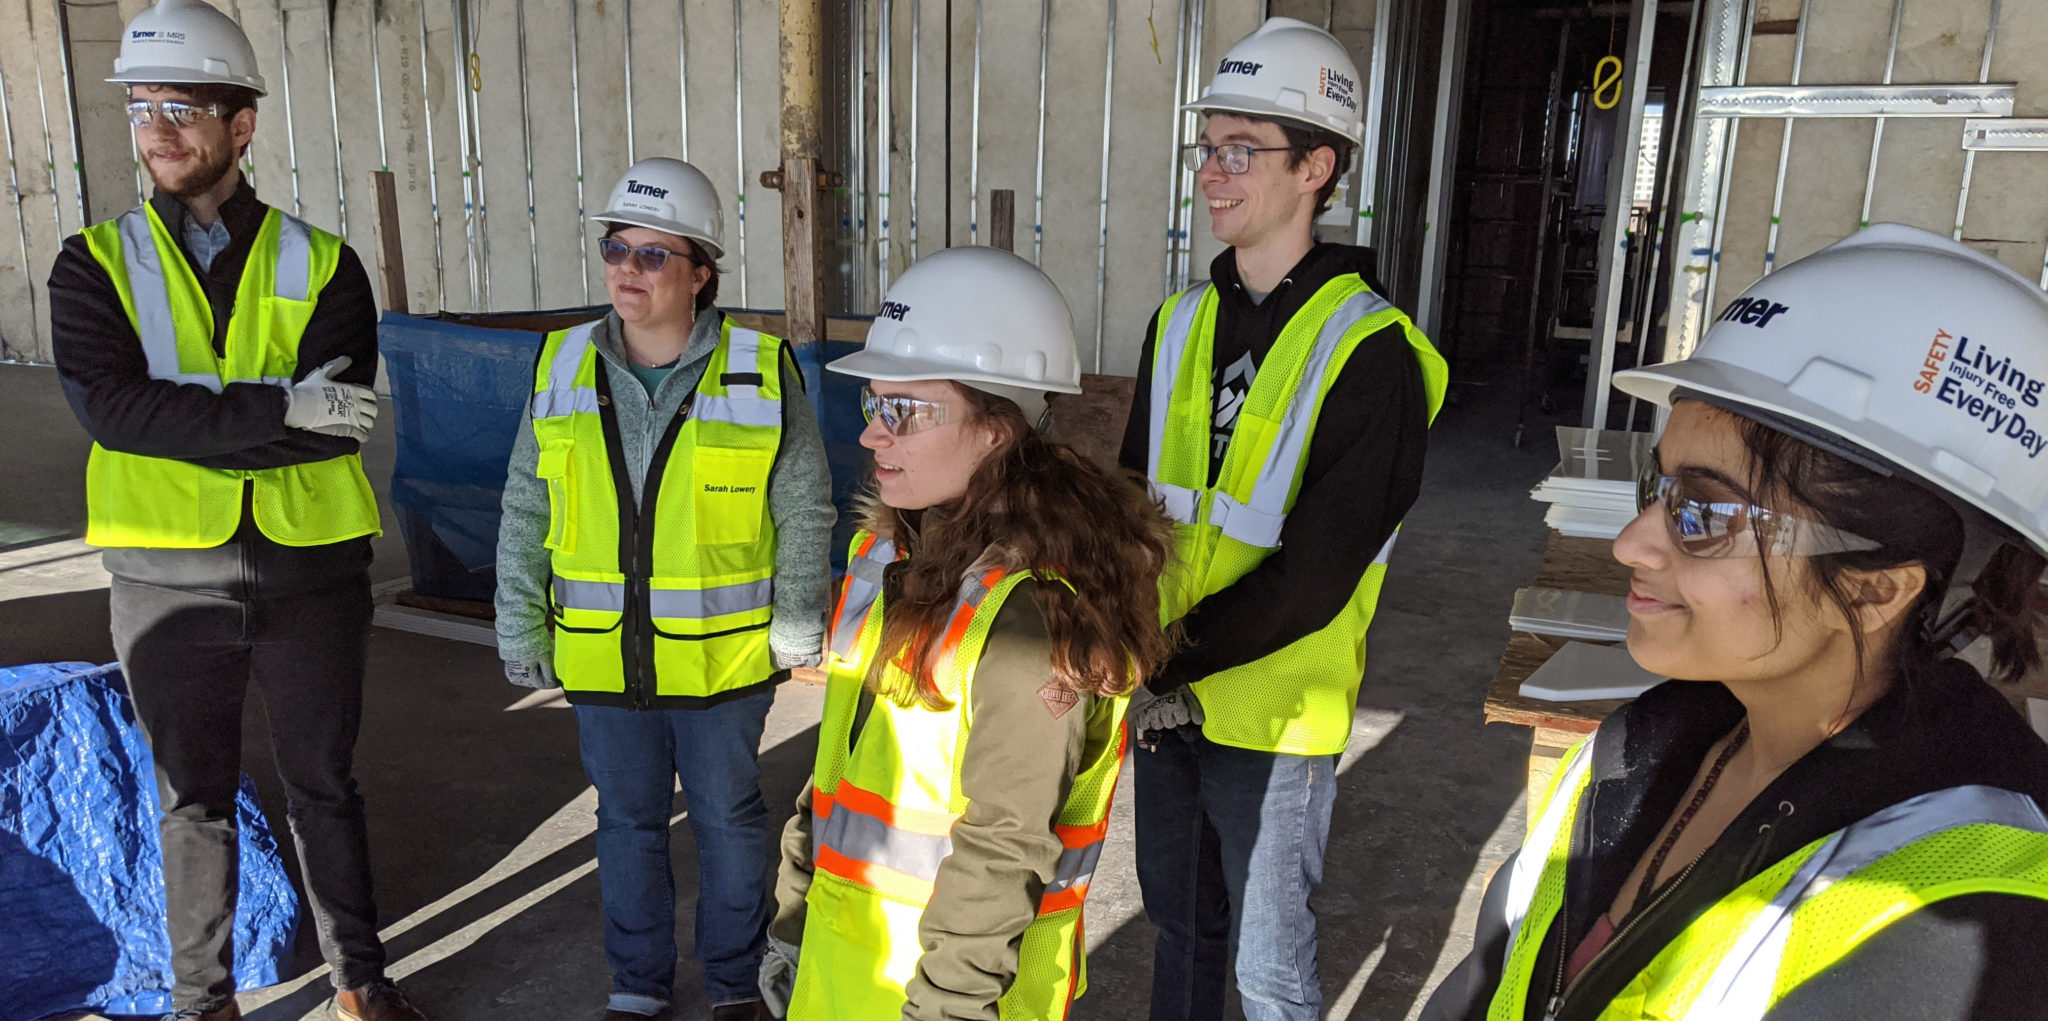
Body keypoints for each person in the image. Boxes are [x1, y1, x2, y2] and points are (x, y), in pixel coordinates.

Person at [1420, 223, 2048, 1020]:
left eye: (1705, 511)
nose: (1630, 542)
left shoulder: (1966, 922)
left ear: (1876, 588)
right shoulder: (1635, 751)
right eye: (1660, 486)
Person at [47, 2, 422, 1018]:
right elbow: (115, 413)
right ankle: (200, 998)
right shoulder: (93, 264)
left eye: (182, 106)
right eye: (141, 108)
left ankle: (360, 981)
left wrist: (202, 421)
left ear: (241, 124)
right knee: (191, 800)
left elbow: (337, 423)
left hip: (311, 572)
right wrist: (274, 409)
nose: (157, 129)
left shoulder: (323, 262)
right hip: (166, 575)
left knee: (325, 785)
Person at [1117, 16, 1448, 1021]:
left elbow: (1316, 573)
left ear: (1316, 166)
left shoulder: (1371, 350)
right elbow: (1129, 505)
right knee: (1178, 933)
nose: (1213, 174)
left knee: (1268, 970)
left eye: (1240, 150)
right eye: (1206, 147)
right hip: (1165, 694)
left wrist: (1158, 660)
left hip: (1273, 713)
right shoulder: (1177, 322)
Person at [759, 246, 1177, 1020]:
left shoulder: (1034, 615)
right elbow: (839, 768)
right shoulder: (887, 555)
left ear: (996, 428)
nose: (872, 437)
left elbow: (1003, 846)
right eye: (872, 405)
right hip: (840, 962)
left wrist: (946, 1009)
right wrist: (791, 914)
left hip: (944, 997)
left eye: (904, 410)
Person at [494, 156, 834, 1021]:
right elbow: (526, 506)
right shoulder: (562, 362)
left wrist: (798, 619)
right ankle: (636, 986)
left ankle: (733, 984)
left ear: (700, 271)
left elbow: (803, 503)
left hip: (722, 666)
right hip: (603, 657)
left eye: (652, 255)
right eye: (616, 248)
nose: (626, 269)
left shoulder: (762, 368)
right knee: (627, 823)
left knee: (729, 820)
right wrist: (519, 623)